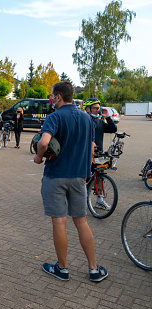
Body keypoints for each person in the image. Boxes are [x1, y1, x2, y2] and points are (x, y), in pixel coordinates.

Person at [34, 81, 108, 283]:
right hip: (79, 177)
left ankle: (62, 268)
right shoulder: (87, 118)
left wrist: (39, 157)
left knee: (59, 221)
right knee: (81, 221)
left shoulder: (54, 117)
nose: (51, 98)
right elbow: (92, 148)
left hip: (55, 176)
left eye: (52, 95)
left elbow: (43, 142)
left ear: (58, 97)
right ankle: (93, 269)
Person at [84, 98, 117, 211]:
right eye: (95, 108)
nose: (98, 110)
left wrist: (108, 117)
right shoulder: (85, 121)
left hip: (98, 154)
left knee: (99, 178)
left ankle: (99, 201)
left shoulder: (99, 121)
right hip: (86, 154)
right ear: (88, 109)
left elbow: (113, 128)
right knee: (85, 178)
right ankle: (80, 198)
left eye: (99, 108)